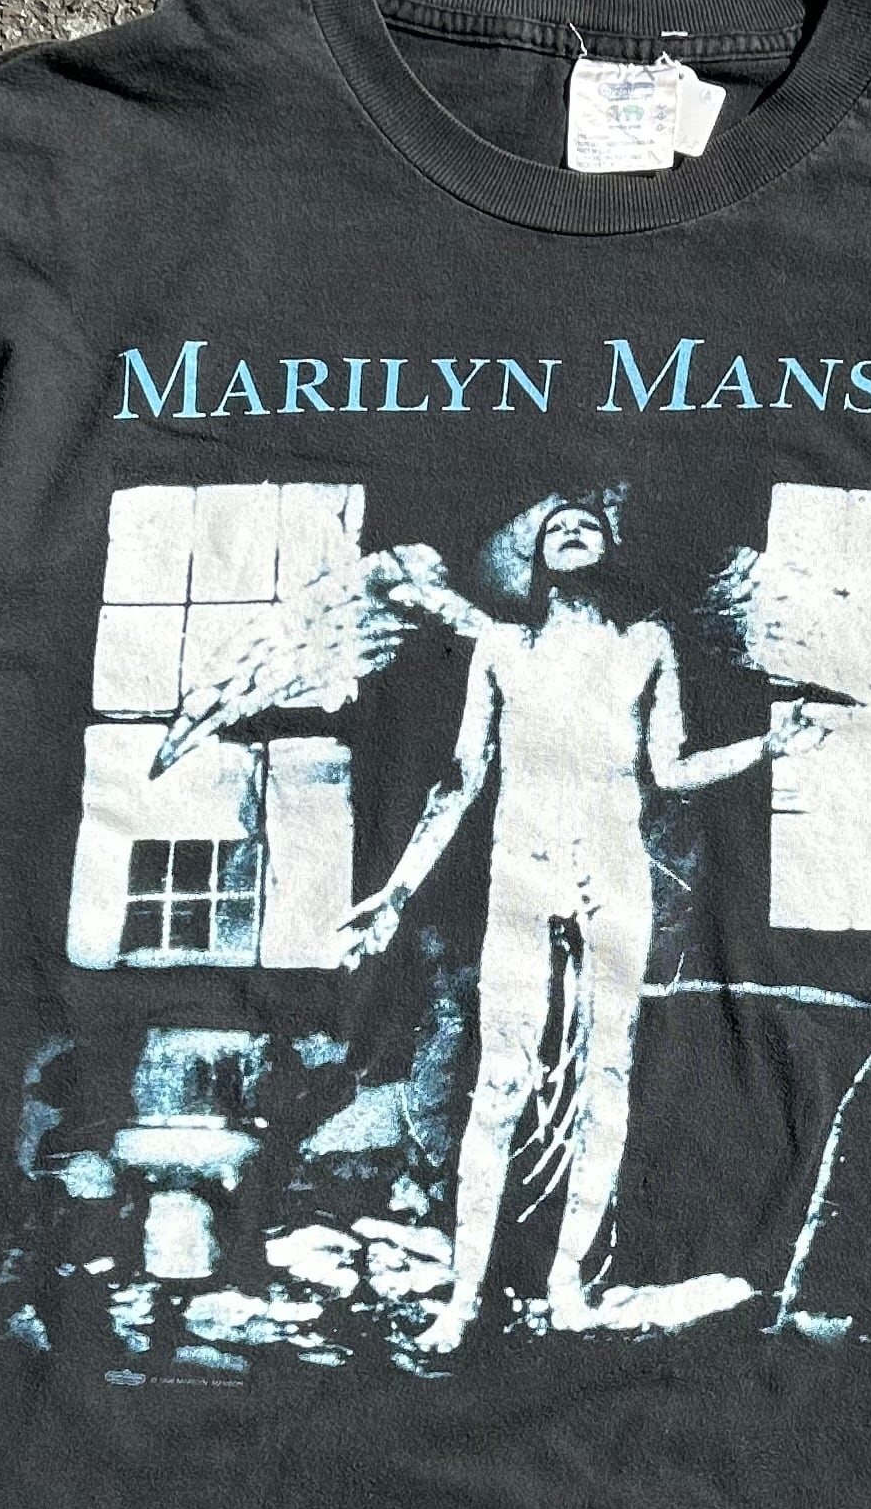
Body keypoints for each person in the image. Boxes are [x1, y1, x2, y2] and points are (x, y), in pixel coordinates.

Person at [341, 498, 823, 1353]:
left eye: (587, 525)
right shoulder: (501, 647)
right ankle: (464, 1297)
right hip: (522, 872)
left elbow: (671, 770)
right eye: (554, 526)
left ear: (611, 551)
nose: (569, 530)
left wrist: (767, 747)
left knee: (608, 1080)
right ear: (534, 558)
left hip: (614, 871)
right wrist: (395, 892)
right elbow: (461, 781)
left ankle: (568, 1284)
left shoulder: (647, 646)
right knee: (499, 1085)